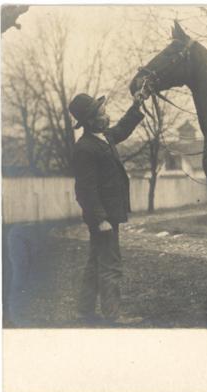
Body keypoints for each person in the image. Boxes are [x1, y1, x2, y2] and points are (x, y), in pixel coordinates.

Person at [69, 93, 146, 325]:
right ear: (91, 121)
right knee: (110, 264)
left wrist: (137, 105)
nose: (106, 116)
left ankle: (83, 310)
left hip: (108, 214)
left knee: (96, 261)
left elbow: (123, 128)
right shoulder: (85, 148)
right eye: (101, 114)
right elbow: (85, 190)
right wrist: (100, 219)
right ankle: (114, 315)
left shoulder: (105, 137)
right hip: (103, 217)